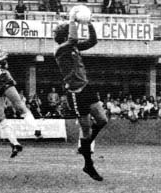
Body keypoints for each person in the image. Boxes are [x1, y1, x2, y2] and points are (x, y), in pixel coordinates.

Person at [53, 8, 107, 181]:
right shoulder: (60, 50)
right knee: (86, 128)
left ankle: (85, 146)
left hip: (86, 87)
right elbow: (74, 38)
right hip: (75, 92)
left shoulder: (73, 47)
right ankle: (88, 164)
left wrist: (89, 23)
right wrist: (72, 20)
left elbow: (93, 41)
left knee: (102, 120)